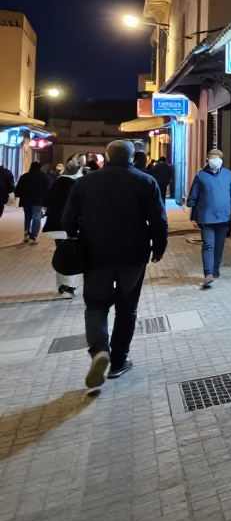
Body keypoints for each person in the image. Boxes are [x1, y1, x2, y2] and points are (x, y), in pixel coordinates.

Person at [63, 140, 167, 387]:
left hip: (96, 255)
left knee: (96, 306)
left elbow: (68, 220)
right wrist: (159, 247)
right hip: (133, 256)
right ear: (133, 157)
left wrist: (77, 237)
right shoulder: (145, 181)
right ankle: (119, 362)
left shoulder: (85, 182)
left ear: (107, 156)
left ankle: (100, 350)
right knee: (126, 308)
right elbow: (158, 220)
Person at [186, 148, 231, 289]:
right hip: (206, 217)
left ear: (221, 160)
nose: (213, 160)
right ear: (207, 160)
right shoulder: (200, 176)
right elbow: (193, 197)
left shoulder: (229, 175)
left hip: (224, 217)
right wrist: (193, 217)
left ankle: (215, 269)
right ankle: (208, 274)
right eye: (211, 158)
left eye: (216, 158)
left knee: (219, 245)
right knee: (208, 245)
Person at [43, 161, 84, 295]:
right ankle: (68, 286)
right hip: (71, 226)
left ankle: (61, 285)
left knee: (62, 252)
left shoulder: (57, 182)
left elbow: (46, 200)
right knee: (71, 254)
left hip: (56, 225)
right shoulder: (77, 184)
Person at [14, 161, 51, 243]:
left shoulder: (25, 176)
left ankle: (27, 233)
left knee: (27, 216)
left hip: (26, 200)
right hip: (38, 200)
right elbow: (48, 188)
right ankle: (34, 236)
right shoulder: (44, 176)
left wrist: (18, 195)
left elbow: (18, 189)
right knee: (36, 216)